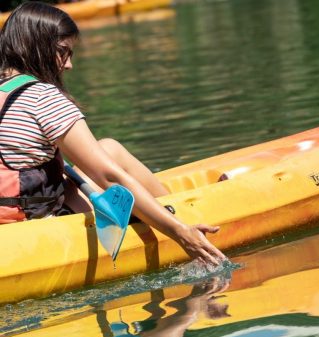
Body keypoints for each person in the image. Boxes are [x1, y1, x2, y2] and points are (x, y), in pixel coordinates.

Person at [0, 1, 226, 265]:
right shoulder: (42, 97)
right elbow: (107, 175)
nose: (68, 64)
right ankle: (182, 219)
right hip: (28, 226)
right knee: (109, 159)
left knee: (107, 148)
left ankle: (172, 208)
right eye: (63, 52)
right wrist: (179, 235)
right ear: (37, 46)